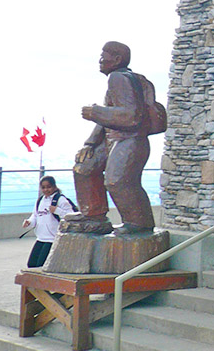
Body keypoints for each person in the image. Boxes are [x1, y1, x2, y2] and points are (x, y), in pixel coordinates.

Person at [62, 41, 156, 235]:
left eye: (103, 57)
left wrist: (95, 112)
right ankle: (92, 214)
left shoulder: (119, 78)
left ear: (117, 59)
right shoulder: (116, 81)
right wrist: (90, 143)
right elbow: (108, 119)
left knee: (118, 181)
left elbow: (132, 116)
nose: (100, 61)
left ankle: (139, 223)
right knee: (85, 167)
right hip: (112, 139)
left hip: (130, 139)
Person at [21, 176, 77, 268]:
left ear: (54, 187)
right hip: (41, 238)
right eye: (43, 187)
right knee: (31, 264)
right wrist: (29, 222)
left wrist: (57, 210)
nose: (46, 190)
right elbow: (35, 216)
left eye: (49, 187)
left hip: (52, 238)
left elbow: (71, 215)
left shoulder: (60, 200)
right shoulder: (40, 200)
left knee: (41, 265)